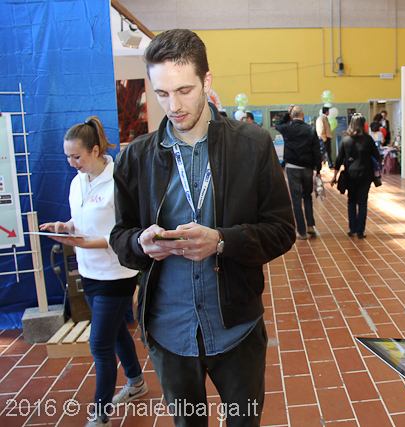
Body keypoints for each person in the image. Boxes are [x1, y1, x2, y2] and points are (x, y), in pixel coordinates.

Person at [109, 29, 296, 427]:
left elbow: (282, 231)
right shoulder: (136, 158)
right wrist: (140, 243)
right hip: (169, 332)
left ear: (206, 81)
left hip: (236, 328)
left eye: (184, 90)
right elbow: (119, 236)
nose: (173, 106)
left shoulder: (253, 145)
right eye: (162, 93)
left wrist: (223, 241)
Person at [40, 116, 147, 427]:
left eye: (77, 156)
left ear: (96, 150)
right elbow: (82, 219)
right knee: (116, 332)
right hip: (89, 273)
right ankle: (136, 383)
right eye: (68, 157)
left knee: (99, 344)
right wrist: (65, 226)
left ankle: (100, 416)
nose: (72, 163)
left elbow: (123, 234)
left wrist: (85, 243)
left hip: (116, 274)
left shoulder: (118, 182)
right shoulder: (78, 182)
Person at [329, 113, 382, 238]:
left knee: (351, 201)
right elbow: (377, 156)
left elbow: (339, 159)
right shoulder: (368, 140)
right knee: (362, 202)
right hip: (365, 175)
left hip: (350, 175)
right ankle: (360, 231)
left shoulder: (345, 140)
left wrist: (334, 176)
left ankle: (352, 228)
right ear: (363, 125)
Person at [276, 105, 322, 240]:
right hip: (307, 168)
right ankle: (311, 226)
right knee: (307, 196)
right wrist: (318, 169)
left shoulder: (287, 128)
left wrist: (287, 114)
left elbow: (278, 126)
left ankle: (302, 232)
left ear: (291, 116)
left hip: (292, 167)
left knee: (296, 200)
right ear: (303, 115)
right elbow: (316, 151)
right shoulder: (310, 129)